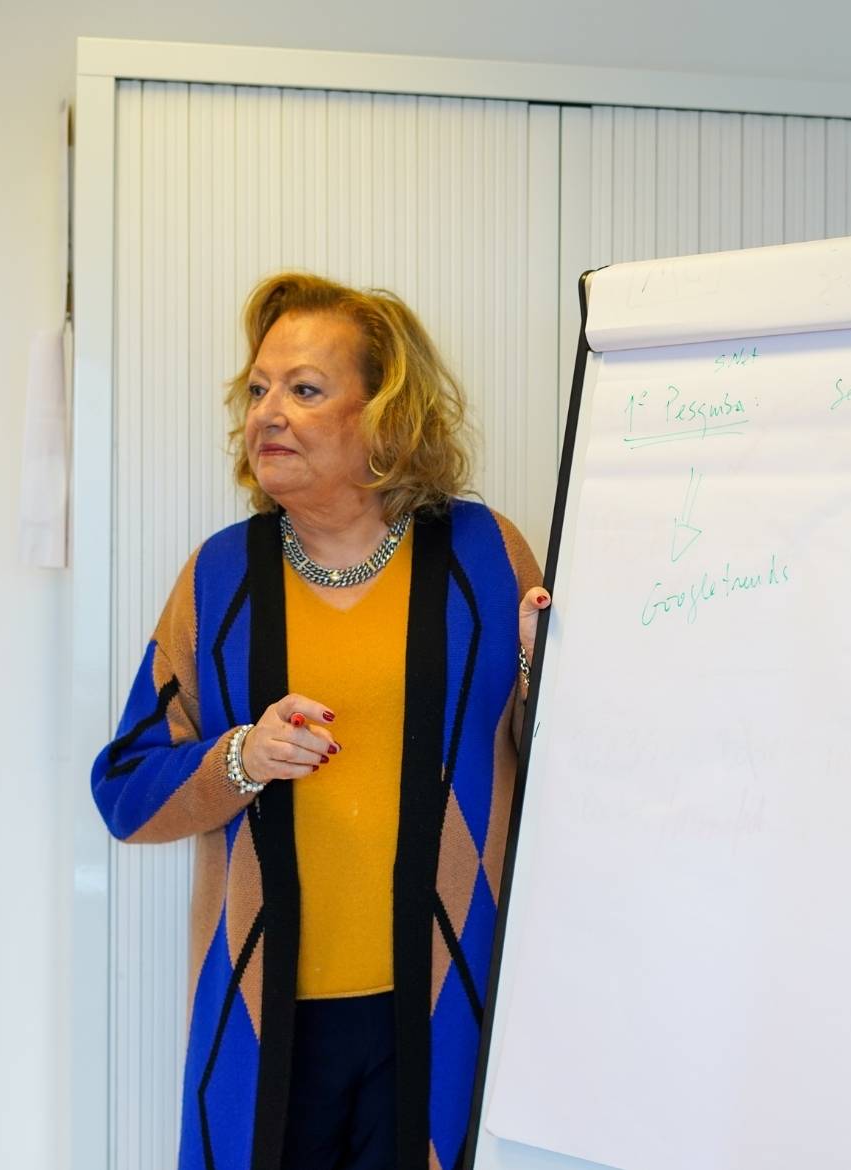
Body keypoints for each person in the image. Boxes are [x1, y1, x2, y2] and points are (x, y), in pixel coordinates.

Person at [92, 272, 548, 1170]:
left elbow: (563, 774)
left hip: (447, 1015)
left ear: (386, 414)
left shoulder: (485, 556)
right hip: (264, 1029)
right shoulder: (221, 578)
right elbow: (126, 792)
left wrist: (541, 673)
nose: (268, 412)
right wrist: (242, 758)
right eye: (259, 388)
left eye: (303, 389)